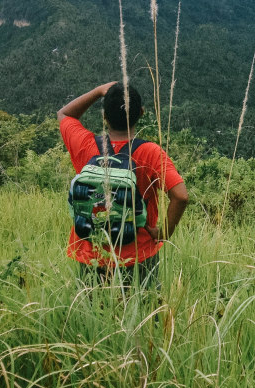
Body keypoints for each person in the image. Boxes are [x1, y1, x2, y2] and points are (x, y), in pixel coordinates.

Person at [58, 80, 188, 289]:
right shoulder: (151, 153)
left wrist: (98, 91)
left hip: (91, 253)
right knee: (144, 315)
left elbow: (65, 114)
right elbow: (181, 196)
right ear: (141, 113)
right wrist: (163, 234)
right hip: (138, 255)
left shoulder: (85, 144)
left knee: (91, 316)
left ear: (104, 116)